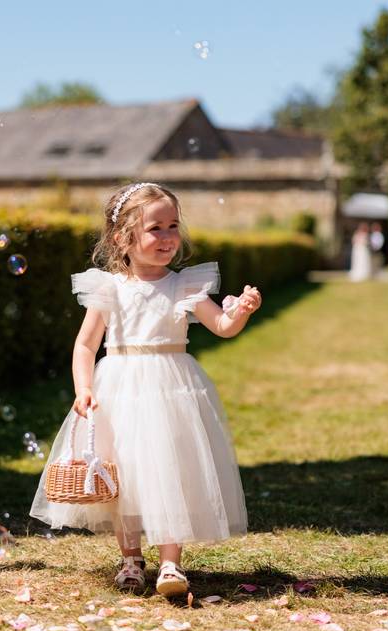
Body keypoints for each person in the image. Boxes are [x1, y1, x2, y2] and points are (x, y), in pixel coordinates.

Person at [29, 182, 261, 598]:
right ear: (124, 238)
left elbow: (222, 327)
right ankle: (131, 558)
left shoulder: (185, 286)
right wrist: (83, 389)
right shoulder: (110, 288)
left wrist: (240, 312)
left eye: (174, 226)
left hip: (171, 387)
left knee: (171, 468)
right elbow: (85, 345)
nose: (168, 237)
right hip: (120, 386)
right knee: (127, 473)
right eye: (156, 228)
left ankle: (171, 562)